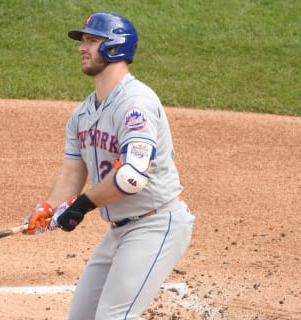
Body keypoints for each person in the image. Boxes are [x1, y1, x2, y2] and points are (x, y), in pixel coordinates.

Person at [23, 12, 196, 319]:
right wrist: (48, 207)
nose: (81, 48)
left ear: (114, 47)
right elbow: (73, 172)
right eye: (83, 41)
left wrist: (81, 205)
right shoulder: (82, 114)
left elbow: (131, 178)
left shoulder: (135, 104)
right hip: (120, 229)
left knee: (114, 316)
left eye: (91, 40)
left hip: (155, 223)